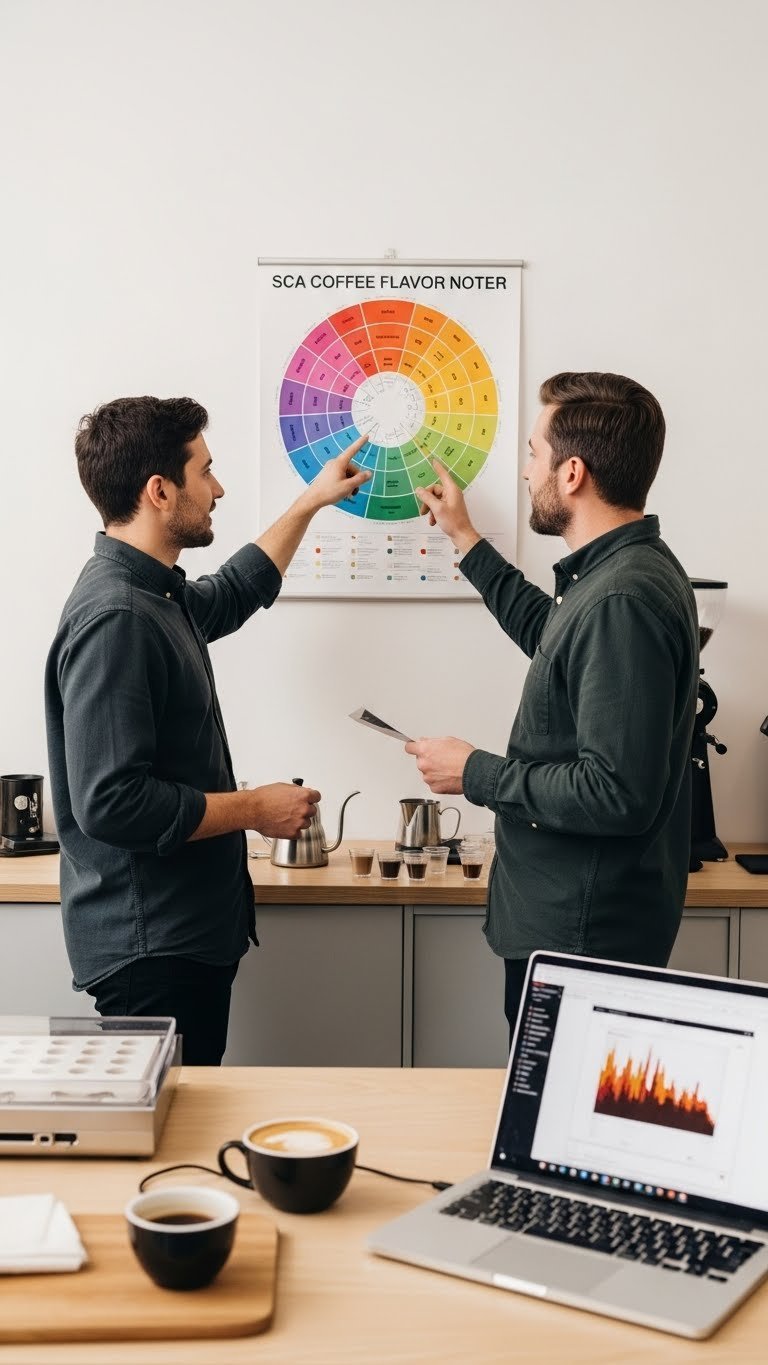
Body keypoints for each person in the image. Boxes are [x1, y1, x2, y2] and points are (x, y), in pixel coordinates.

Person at [45, 396, 371, 1063]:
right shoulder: (118, 617)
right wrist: (255, 808)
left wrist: (309, 503)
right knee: (168, 1156)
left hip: (179, 941)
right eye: (206, 471)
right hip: (152, 951)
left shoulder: (153, 593)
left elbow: (231, 592)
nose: (218, 488)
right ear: (159, 491)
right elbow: (112, 801)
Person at [404, 372, 699, 1041]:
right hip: (576, 932)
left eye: (533, 454)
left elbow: (616, 791)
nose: (524, 472)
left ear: (571, 473)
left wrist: (473, 771)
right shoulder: (616, 577)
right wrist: (463, 536)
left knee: (556, 1136)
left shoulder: (621, 598)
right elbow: (552, 634)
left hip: (583, 940)